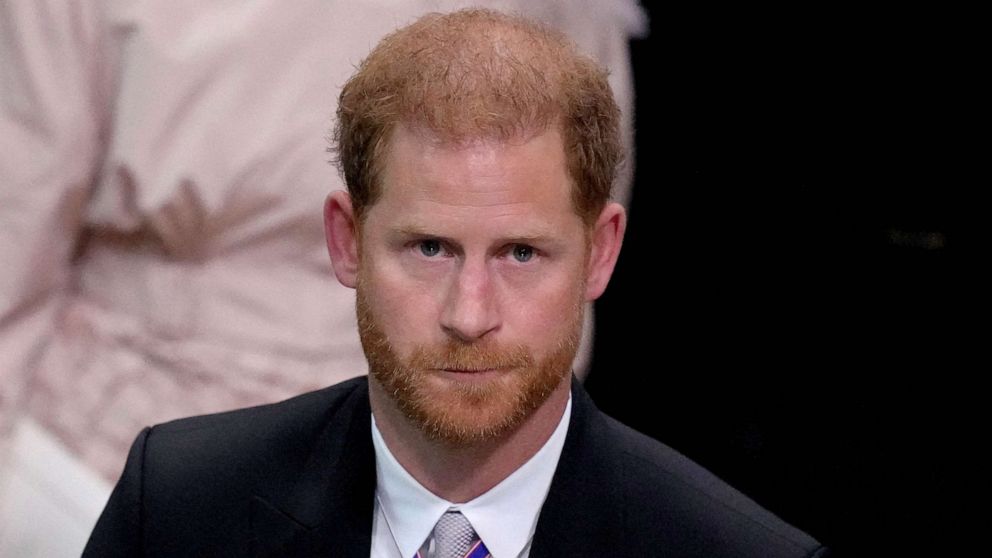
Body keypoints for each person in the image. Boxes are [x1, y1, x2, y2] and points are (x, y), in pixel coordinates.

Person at [82, 9, 827, 557]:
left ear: (601, 254)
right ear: (347, 241)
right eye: (430, 247)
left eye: (521, 255)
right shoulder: (178, 510)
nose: (469, 315)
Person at [0, 1, 644, 555]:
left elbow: (561, 225)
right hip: (99, 460)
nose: (470, 308)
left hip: (438, 467)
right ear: (345, 237)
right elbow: (18, 214)